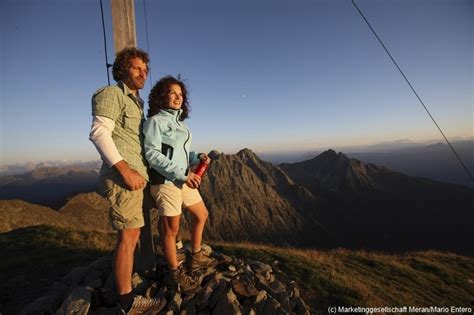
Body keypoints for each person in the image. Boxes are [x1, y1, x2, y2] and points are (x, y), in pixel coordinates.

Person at [89, 47, 165, 314]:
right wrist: (125, 170)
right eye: (136, 68)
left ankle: (125, 291)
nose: (143, 73)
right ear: (122, 69)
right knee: (128, 236)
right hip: (124, 178)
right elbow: (99, 133)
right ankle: (127, 301)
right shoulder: (112, 94)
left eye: (145, 70)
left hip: (136, 177)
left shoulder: (136, 103)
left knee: (133, 234)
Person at [143, 75, 214, 293]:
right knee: (171, 229)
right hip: (165, 181)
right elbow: (152, 154)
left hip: (181, 178)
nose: (178, 97)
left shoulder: (179, 124)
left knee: (201, 214)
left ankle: (195, 255)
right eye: (172, 93)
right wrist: (183, 173)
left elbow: (176, 154)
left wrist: (195, 157)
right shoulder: (155, 121)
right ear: (162, 96)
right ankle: (174, 274)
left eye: (180, 94)